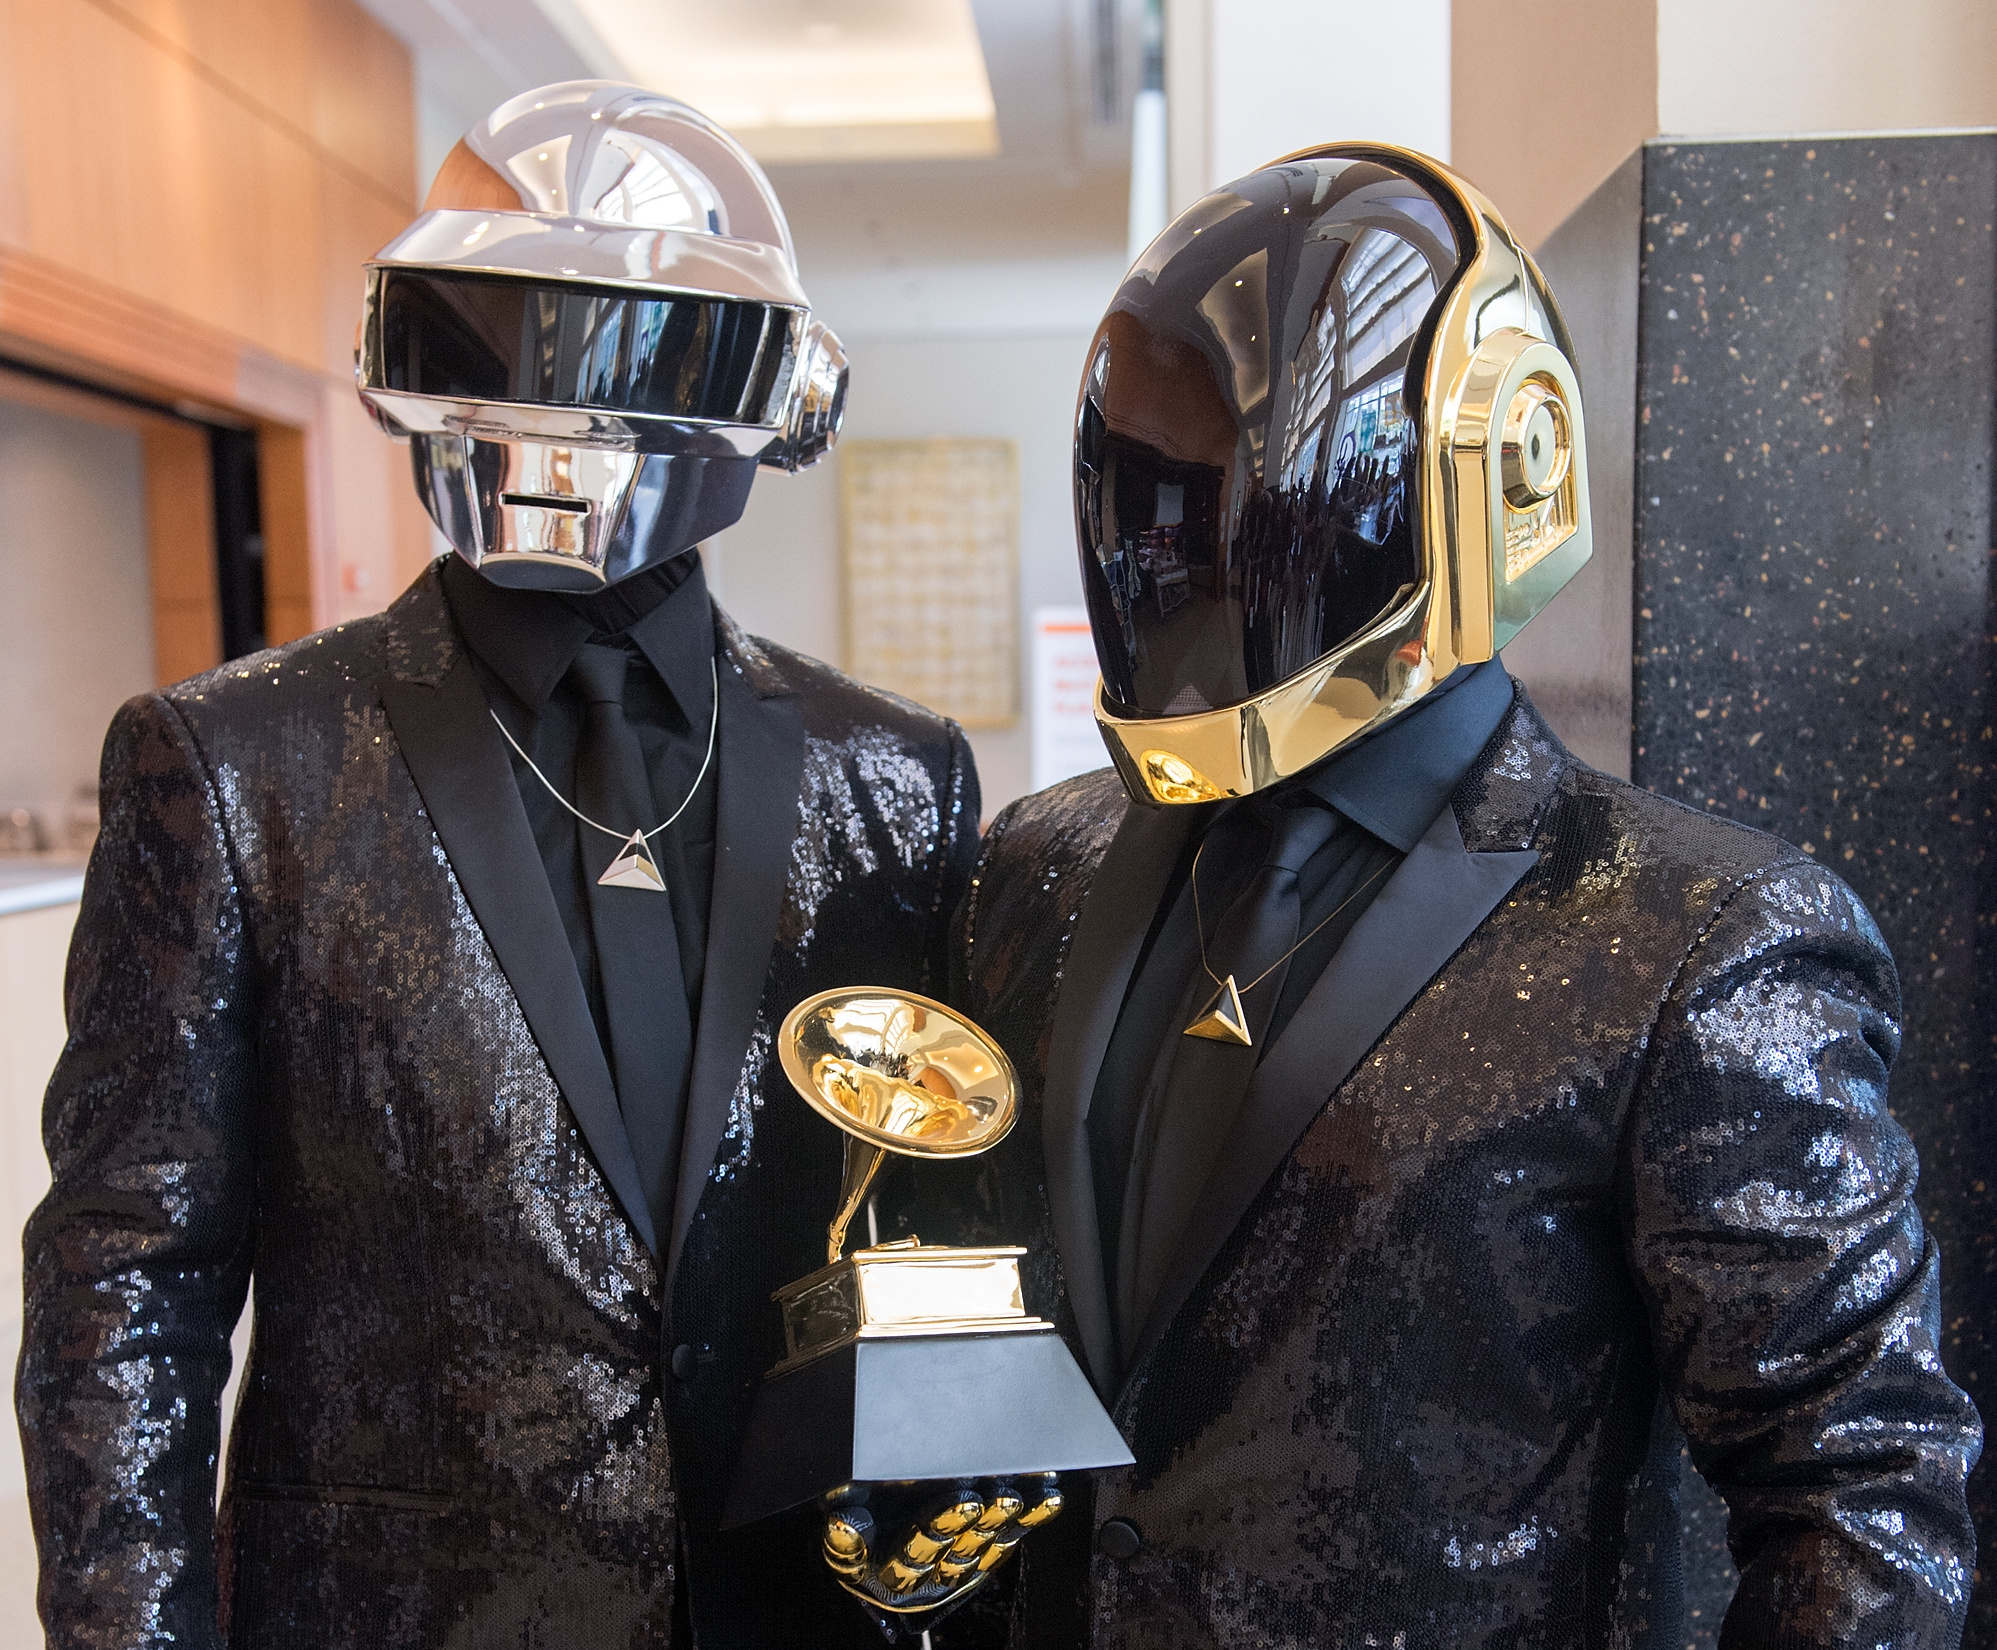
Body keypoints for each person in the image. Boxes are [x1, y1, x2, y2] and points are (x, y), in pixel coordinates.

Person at [952, 146, 1981, 1647]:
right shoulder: (1040, 863)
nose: (1189, 559)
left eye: (1235, 493)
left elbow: (1865, 1497)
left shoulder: (1694, 941)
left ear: (1495, 460)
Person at [18, 82, 986, 1648]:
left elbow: (936, 1212)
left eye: (627, 347)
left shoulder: (894, 777)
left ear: (773, 390)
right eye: (501, 334)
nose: (558, 408)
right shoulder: (236, 765)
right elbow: (128, 1280)